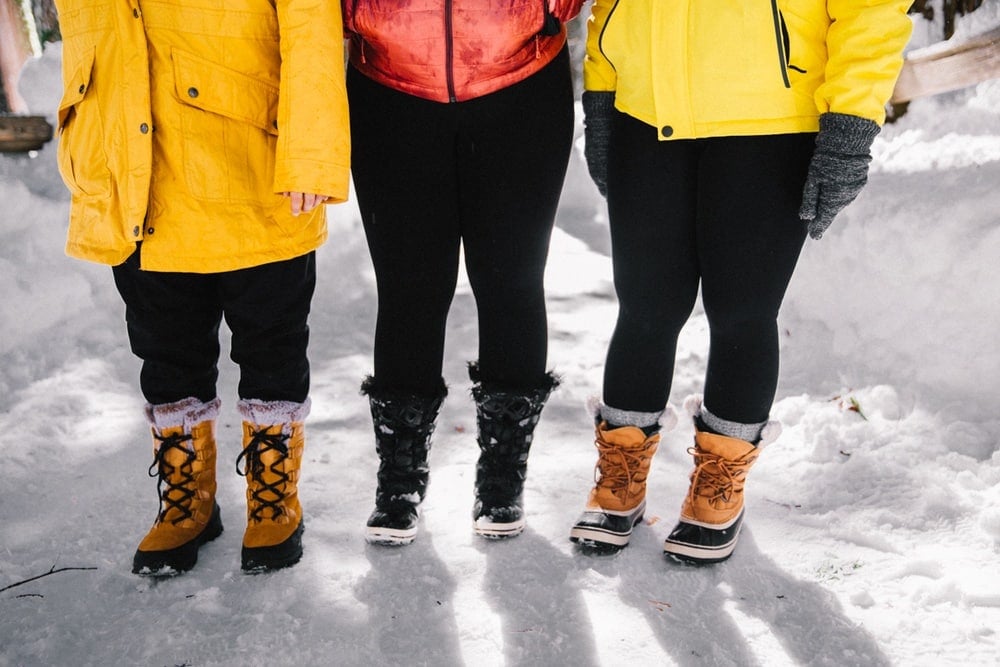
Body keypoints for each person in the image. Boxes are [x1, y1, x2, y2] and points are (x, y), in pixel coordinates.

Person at [569, 0, 913, 563]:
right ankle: (620, 478)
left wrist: (850, 124)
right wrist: (602, 93)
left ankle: (719, 483)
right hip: (644, 113)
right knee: (645, 306)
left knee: (743, 313)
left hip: (769, 122)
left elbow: (871, 11)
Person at [54, 0, 351, 575]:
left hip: (249, 165)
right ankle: (187, 503)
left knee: (272, 345)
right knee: (165, 355)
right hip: (131, 176)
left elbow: (311, 21)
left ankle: (274, 498)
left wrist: (312, 153)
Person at [344, 0, 584, 545]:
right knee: (409, 287)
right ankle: (399, 481)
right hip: (389, 86)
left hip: (519, 82)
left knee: (512, 280)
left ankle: (502, 476)